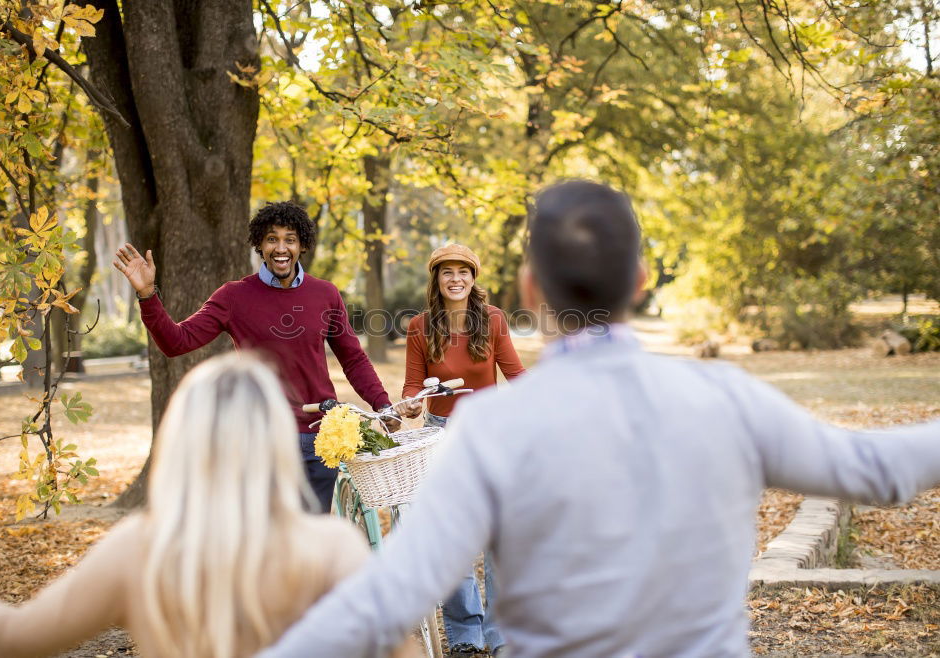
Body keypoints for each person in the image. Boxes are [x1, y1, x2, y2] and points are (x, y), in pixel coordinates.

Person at [257, 180, 940, 658]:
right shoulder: (731, 398)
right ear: (641, 279)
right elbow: (878, 469)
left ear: (528, 289)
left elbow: (392, 595)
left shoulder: (492, 431)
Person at [0, 353, 420, 658]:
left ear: (182, 437)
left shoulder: (139, 549)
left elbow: (7, 636)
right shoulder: (332, 548)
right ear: (275, 438)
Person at [113, 201, 397, 512]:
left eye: (290, 239)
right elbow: (176, 342)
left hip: (321, 438)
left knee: (311, 537)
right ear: (259, 245)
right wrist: (147, 295)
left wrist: (383, 405)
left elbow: (353, 359)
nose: (281, 247)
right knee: (269, 540)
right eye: (272, 238)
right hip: (263, 434)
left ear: (302, 246)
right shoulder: (233, 297)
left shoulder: (325, 293)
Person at [396, 243, 524, 658]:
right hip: (440, 436)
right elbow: (412, 386)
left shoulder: (493, 320)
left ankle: (500, 635)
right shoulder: (419, 326)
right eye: (447, 272)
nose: (456, 279)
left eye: (463, 272)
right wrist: (413, 401)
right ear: (436, 279)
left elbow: (516, 376)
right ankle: (466, 636)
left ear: (473, 278)